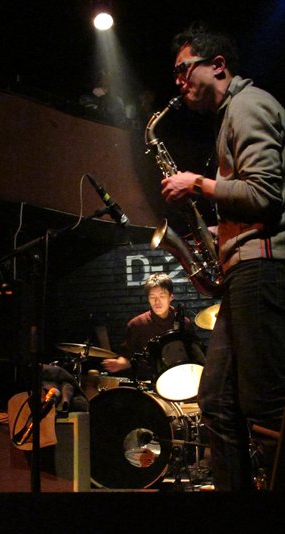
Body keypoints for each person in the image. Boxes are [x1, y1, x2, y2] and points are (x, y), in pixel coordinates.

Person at [161, 23, 285, 490]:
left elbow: (265, 195)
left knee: (266, 404)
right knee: (215, 401)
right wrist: (218, 228)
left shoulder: (249, 105)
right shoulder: (234, 113)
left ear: (217, 66)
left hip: (262, 267)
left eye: (183, 69)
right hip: (244, 267)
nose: (178, 81)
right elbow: (252, 199)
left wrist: (198, 183)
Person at [102, 273, 204, 383]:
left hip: (181, 380)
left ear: (171, 297)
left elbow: (194, 356)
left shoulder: (183, 323)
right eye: (153, 297)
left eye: (161, 296)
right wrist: (119, 364)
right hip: (148, 384)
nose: (157, 301)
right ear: (148, 299)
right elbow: (128, 356)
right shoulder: (136, 325)